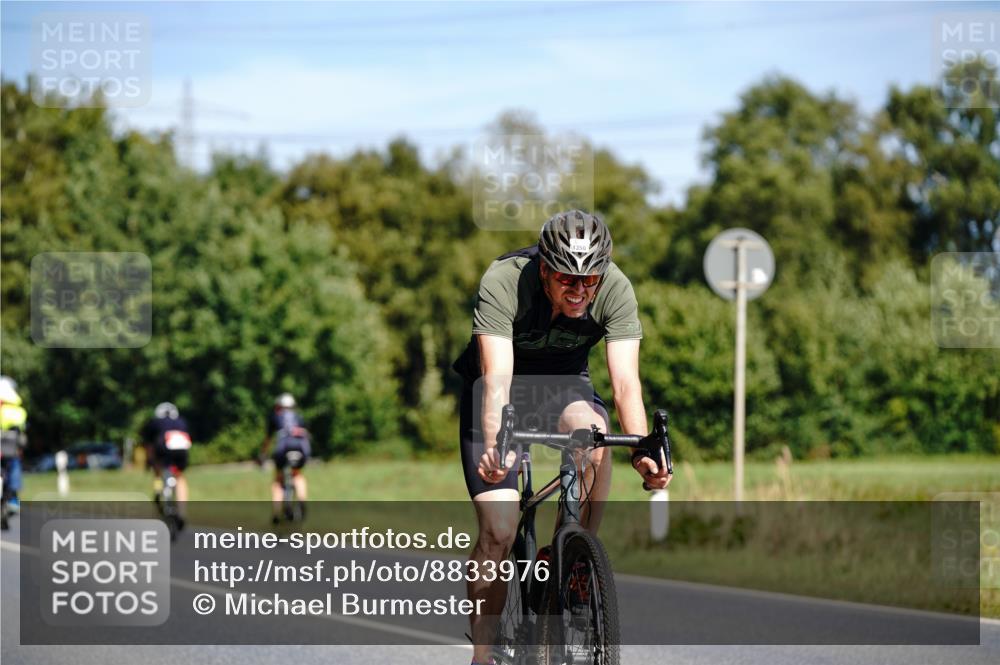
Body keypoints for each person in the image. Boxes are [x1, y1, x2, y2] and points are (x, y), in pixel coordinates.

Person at [451, 210, 672, 665]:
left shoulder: (615, 288)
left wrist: (642, 451)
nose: (579, 290)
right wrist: (495, 444)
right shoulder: (505, 279)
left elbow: (626, 384)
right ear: (545, 270)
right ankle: (483, 654)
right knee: (498, 531)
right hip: (497, 392)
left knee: (594, 436)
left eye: (589, 280)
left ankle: (572, 559)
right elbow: (496, 378)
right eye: (567, 279)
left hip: (563, 388)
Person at [259, 393, 310, 524]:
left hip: (283, 449)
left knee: (278, 480)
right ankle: (302, 501)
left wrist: (263, 454)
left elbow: (268, 439)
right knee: (297, 475)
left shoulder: (275, 416)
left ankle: (276, 512)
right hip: (300, 449)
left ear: (279, 407)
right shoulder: (299, 417)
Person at [140, 402, 192, 526]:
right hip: (182, 450)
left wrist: (150, 462)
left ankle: (158, 490)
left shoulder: (154, 422)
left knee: (158, 470)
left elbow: (149, 444)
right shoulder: (182, 421)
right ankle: (182, 513)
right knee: (180, 477)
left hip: (163, 449)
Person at [0, 376, 27, 515]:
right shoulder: (19, 411)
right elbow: (20, 433)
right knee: (14, 465)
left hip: (7, 448)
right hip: (10, 448)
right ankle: (13, 500)